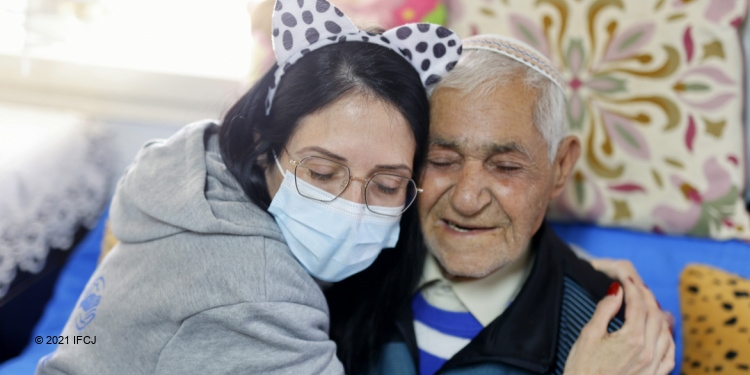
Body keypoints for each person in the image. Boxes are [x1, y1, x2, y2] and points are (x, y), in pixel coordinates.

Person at [34, 0, 462, 373]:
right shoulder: (257, 297)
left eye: (387, 185)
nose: (352, 207)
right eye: (322, 173)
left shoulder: (192, 172)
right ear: (264, 148)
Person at [326, 35, 675, 375]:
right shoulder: (351, 264)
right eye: (442, 160)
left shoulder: (622, 343)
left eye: (506, 167)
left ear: (561, 167)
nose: (466, 199)